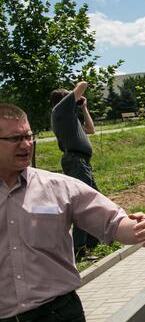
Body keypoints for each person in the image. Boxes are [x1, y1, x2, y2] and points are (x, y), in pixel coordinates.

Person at [0, 103, 145, 322]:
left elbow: (114, 223)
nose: (26, 145)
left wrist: (140, 228)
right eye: (15, 139)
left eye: (29, 136)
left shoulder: (59, 187)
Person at [50, 81, 100, 258]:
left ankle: (90, 243)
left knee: (94, 201)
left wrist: (84, 108)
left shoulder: (70, 117)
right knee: (83, 204)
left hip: (82, 162)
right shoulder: (60, 111)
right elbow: (83, 85)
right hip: (75, 161)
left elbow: (91, 130)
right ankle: (79, 249)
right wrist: (77, 95)